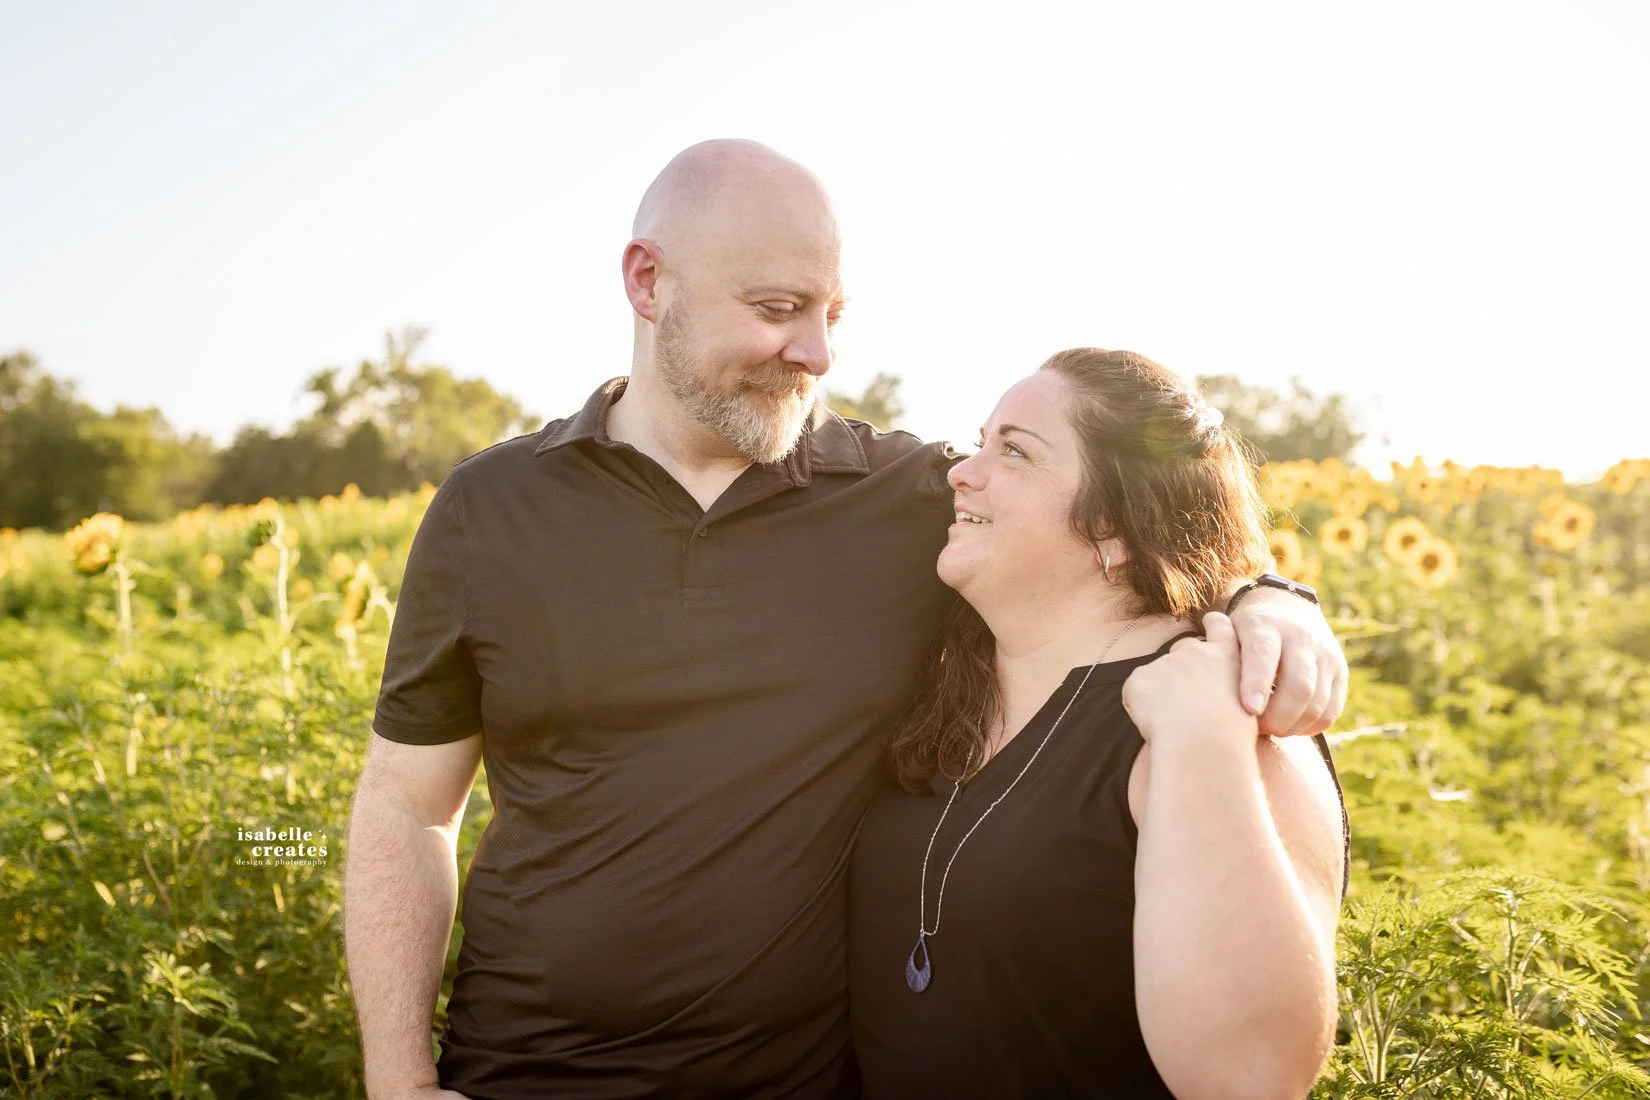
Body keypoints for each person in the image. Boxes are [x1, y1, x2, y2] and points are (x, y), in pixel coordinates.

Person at [342, 140, 1348, 1100]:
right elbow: (405, 805)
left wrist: (1269, 597)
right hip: (522, 1073)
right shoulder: (490, 511)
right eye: (779, 308)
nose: (816, 351)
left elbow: (1122, 520)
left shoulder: (908, 496)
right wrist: (396, 1076)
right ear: (648, 284)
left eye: (831, 311)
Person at [848, 348, 1349, 1099]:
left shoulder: (1231, 706)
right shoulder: (946, 680)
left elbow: (1253, 1076)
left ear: (1116, 523)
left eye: (1014, 451)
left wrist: (1203, 743)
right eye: (980, 440)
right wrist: (1274, 589)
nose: (961, 471)